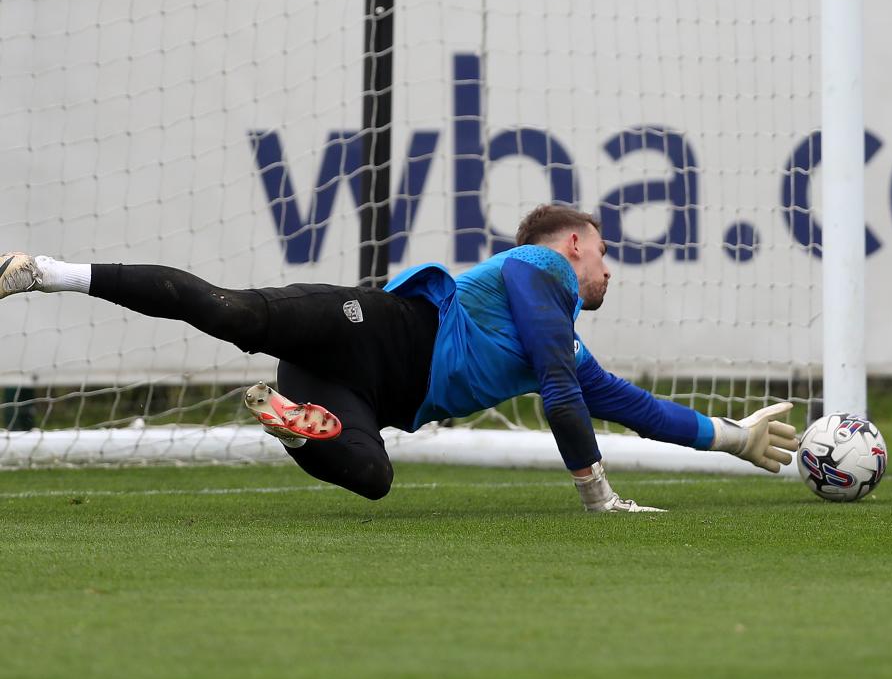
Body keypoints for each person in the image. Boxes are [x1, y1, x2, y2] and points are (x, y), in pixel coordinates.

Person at [0, 205, 797, 512]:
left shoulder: (564, 339)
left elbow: (627, 404)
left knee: (373, 477)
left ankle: (295, 427)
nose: (608, 271)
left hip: (355, 394)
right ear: (575, 244)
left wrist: (732, 438)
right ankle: (44, 272)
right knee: (228, 310)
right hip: (358, 327)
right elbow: (560, 392)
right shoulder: (538, 269)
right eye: (603, 256)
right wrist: (599, 496)